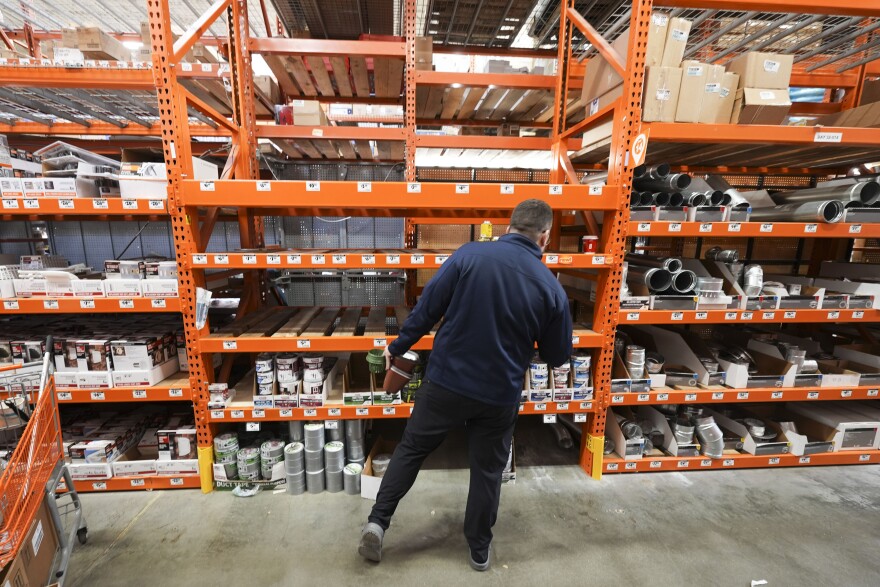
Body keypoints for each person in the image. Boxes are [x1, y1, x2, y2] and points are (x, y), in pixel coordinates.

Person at [357, 199, 573, 571]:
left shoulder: (469, 255)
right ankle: (478, 549)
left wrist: (397, 346)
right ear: (545, 237)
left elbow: (427, 309)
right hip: (499, 395)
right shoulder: (549, 286)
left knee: (411, 449)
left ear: (509, 226)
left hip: (446, 383)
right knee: (487, 470)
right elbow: (557, 357)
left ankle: (378, 522)